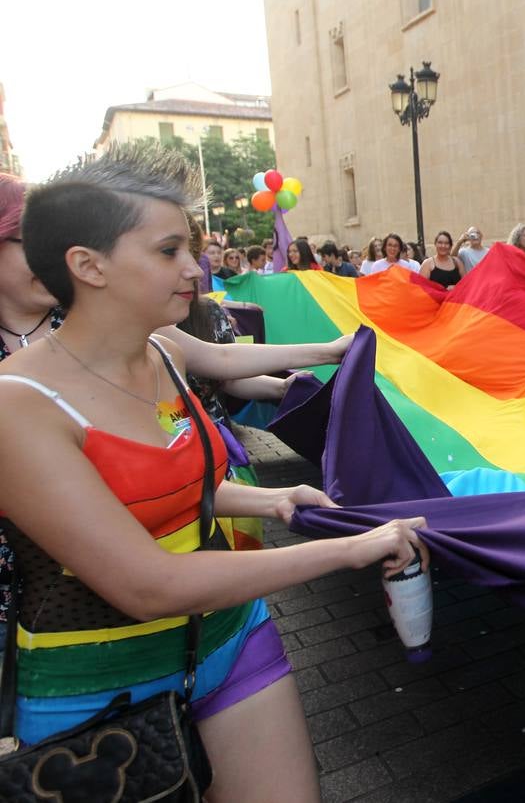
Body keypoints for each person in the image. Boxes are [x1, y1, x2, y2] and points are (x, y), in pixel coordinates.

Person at [0, 147, 426, 801]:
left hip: (230, 638)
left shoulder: (165, 351)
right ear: (88, 266)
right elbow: (149, 584)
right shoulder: (17, 406)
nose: (195, 267)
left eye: (190, 248)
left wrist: (277, 500)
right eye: (168, 251)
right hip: (97, 688)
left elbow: (168, 487)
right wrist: (346, 549)